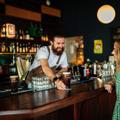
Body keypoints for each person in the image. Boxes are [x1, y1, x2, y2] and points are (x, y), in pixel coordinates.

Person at [104, 39, 120, 120]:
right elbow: (116, 77)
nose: (112, 52)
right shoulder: (118, 67)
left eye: (115, 49)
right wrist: (110, 83)